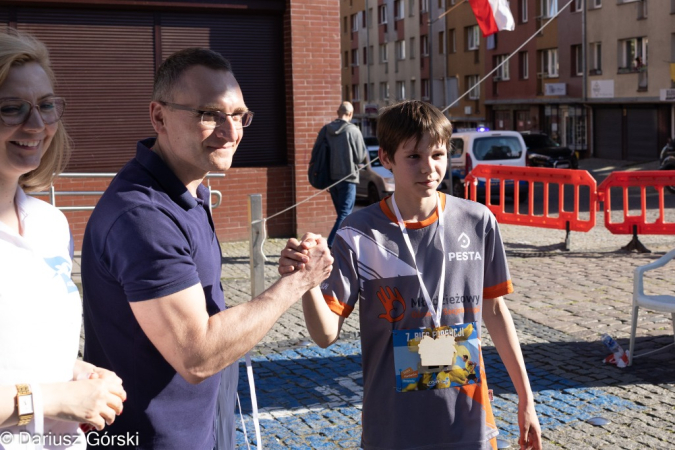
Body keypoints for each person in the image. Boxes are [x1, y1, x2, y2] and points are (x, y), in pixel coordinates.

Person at [81, 48, 333, 450]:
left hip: (200, 429)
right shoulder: (143, 216)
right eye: (209, 114)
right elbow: (197, 355)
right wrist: (300, 282)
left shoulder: (190, 189)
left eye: (239, 116)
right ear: (159, 117)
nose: (231, 132)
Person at [281, 100, 542, 450]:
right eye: (413, 157)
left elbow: (494, 312)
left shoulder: (478, 221)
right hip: (392, 427)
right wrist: (306, 281)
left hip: (468, 420)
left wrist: (527, 398)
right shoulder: (358, 232)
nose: (429, 169)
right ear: (386, 159)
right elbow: (326, 334)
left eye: (437, 154)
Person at [0, 31, 126, 449]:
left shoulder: (50, 223)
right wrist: (55, 398)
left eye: (46, 106)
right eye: (11, 108)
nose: (35, 125)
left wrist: (74, 372)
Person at [316, 101, 366, 247]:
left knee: (343, 216)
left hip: (332, 179)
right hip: (348, 178)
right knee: (345, 215)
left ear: (338, 113)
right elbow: (360, 156)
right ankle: (330, 246)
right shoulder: (353, 130)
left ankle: (347, 246)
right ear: (350, 114)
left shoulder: (326, 130)